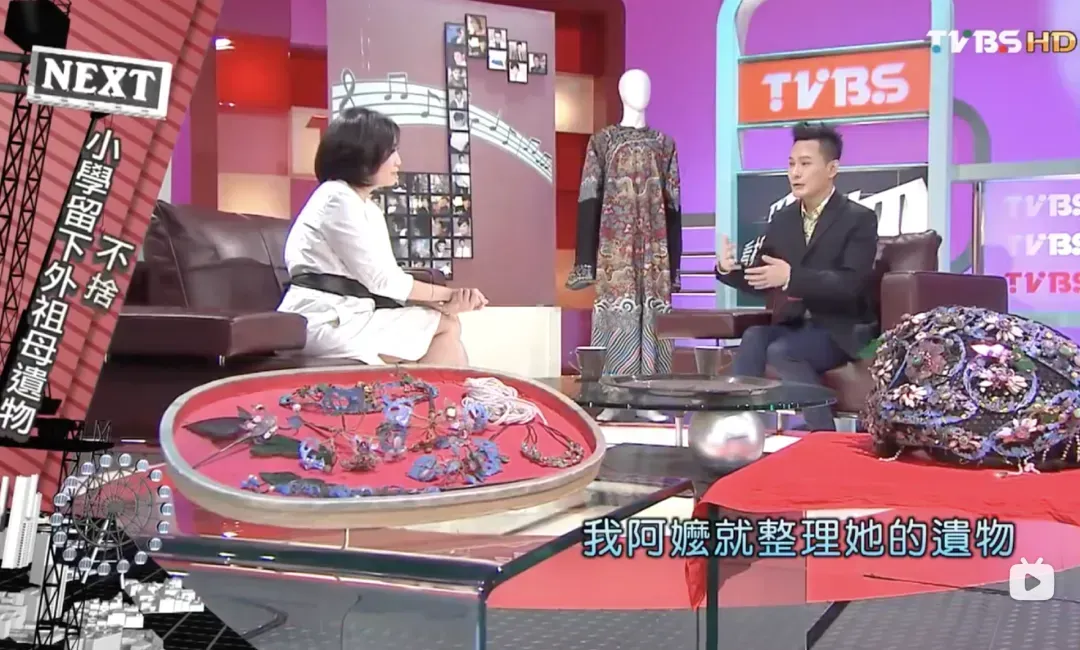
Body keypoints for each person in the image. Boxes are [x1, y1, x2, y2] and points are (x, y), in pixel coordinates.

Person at [279, 107, 487, 366]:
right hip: (324, 321)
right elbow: (382, 281)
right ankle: (449, 393)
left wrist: (443, 303)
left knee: (446, 324)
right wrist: (448, 295)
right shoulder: (336, 197)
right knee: (445, 327)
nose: (398, 161)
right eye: (391, 151)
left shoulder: (369, 209)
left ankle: (436, 392)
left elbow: (386, 279)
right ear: (363, 154)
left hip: (351, 316)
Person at [716, 122, 879, 431]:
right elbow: (765, 276)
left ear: (832, 169)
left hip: (841, 327)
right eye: (791, 164)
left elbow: (851, 284)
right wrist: (729, 270)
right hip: (796, 323)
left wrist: (791, 277)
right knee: (754, 337)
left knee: (783, 351)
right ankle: (736, 427)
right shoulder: (783, 218)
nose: (795, 173)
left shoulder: (859, 219)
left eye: (805, 164)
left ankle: (823, 435)